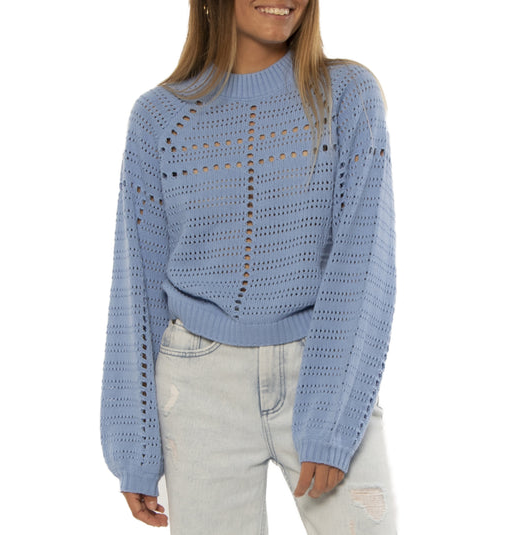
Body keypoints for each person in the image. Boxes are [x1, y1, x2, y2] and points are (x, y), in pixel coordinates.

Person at [100, 0, 398, 533]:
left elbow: (363, 261)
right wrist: (134, 447)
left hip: (321, 364)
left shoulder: (349, 96)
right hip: (196, 385)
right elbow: (136, 284)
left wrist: (331, 419)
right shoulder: (158, 118)